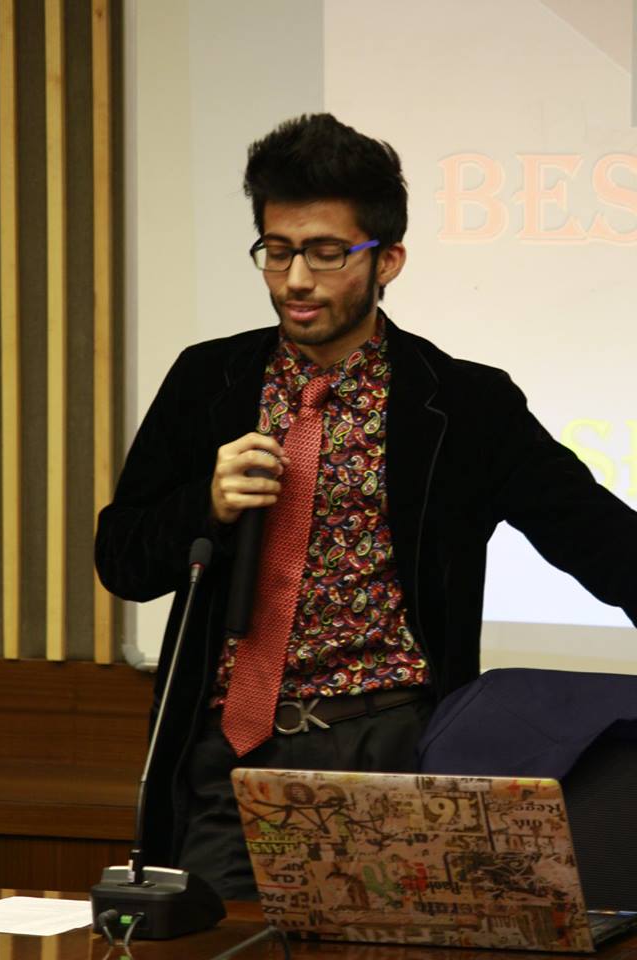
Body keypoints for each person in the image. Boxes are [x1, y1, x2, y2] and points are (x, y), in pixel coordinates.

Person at [95, 113, 637, 899]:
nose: (296, 280)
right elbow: (122, 560)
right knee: (213, 945)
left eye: (326, 253)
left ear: (388, 260)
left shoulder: (463, 405)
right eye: (276, 251)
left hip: (390, 748)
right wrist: (203, 507)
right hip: (229, 752)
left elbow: (600, 538)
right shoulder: (207, 380)